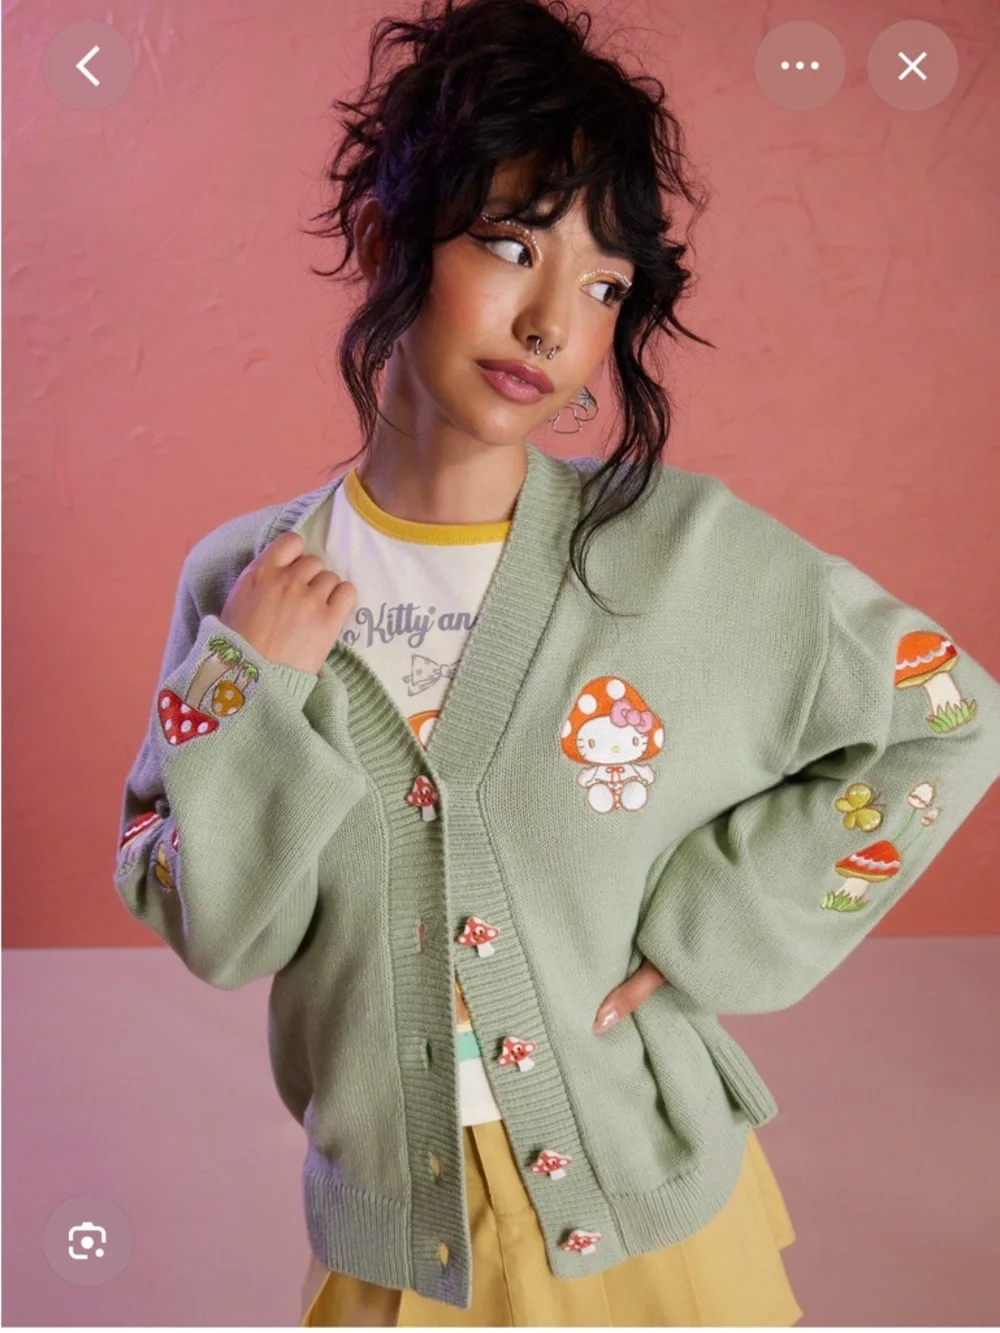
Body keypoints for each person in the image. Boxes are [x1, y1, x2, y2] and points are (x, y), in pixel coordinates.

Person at [113, 0, 1000, 1325]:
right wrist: (249, 686)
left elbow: (953, 711)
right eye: (512, 245)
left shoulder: (677, 553)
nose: (551, 324)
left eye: (602, 286)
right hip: (402, 1251)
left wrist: (718, 926)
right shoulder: (239, 586)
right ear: (389, 240)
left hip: (658, 1232)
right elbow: (218, 929)